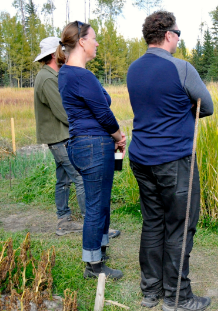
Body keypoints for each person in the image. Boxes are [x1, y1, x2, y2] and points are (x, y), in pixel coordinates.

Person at [127, 11, 214, 311]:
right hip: (173, 160)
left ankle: (150, 292)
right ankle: (178, 297)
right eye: (178, 33)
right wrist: (186, 105)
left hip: (140, 157)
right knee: (180, 226)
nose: (179, 39)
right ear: (168, 35)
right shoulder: (182, 68)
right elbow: (208, 106)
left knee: (153, 223)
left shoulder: (133, 69)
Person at [57, 21, 126, 280]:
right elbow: (104, 115)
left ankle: (101, 248)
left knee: (101, 200)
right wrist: (119, 137)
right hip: (94, 145)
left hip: (84, 143)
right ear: (82, 42)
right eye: (94, 38)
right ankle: (94, 265)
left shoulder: (67, 73)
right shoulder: (80, 75)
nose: (97, 43)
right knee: (96, 205)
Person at [33, 37, 86, 236]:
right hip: (59, 137)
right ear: (55, 53)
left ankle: (64, 221)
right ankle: (92, 223)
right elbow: (63, 112)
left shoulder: (52, 75)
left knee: (63, 180)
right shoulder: (47, 78)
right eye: (63, 49)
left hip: (59, 136)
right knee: (80, 177)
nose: (67, 52)